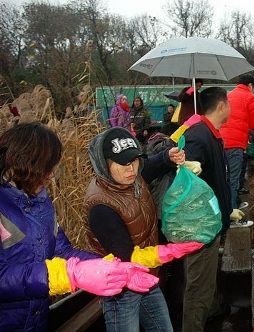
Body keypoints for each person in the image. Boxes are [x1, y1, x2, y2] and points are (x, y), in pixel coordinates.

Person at [0, 123, 158, 331]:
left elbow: (62, 250)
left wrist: (111, 267)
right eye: (47, 168)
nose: (51, 175)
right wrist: (66, 275)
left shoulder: (41, 202)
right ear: (27, 164)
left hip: (36, 320)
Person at [83, 127, 203, 331]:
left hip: (147, 276)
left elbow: (149, 167)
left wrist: (167, 156)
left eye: (135, 160)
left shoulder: (131, 177)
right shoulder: (101, 207)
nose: (132, 168)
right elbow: (130, 257)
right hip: (121, 290)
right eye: (123, 163)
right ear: (104, 165)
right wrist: (173, 250)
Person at [181, 87, 234, 332]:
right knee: (198, 287)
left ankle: (210, 320)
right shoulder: (198, 135)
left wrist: (227, 209)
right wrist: (189, 166)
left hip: (212, 224)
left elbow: (217, 180)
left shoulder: (212, 134)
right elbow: (189, 172)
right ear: (221, 105)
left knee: (207, 284)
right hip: (201, 227)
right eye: (229, 103)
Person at [220, 74, 254, 212]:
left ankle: (228, 207)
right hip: (236, 144)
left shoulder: (227, 95)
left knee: (223, 177)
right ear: (250, 85)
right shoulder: (251, 97)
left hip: (220, 142)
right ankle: (231, 212)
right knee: (233, 179)